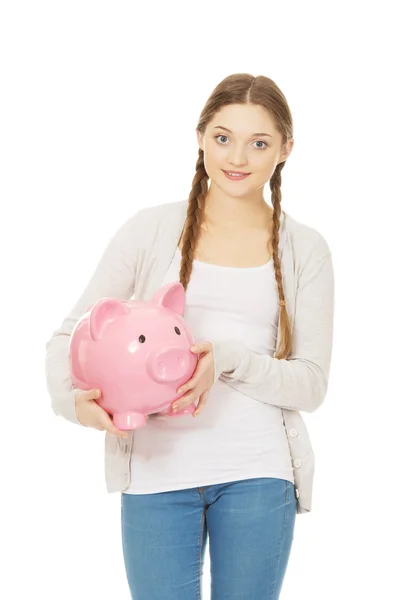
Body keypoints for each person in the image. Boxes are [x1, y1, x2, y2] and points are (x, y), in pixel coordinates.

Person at [45, 73, 335, 600]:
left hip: (258, 473)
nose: (237, 157)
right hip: (156, 474)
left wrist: (225, 359)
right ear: (200, 136)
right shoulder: (150, 230)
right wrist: (74, 403)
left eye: (260, 142)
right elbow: (70, 335)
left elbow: (311, 385)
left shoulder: (305, 249)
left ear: (286, 149)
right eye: (223, 137)